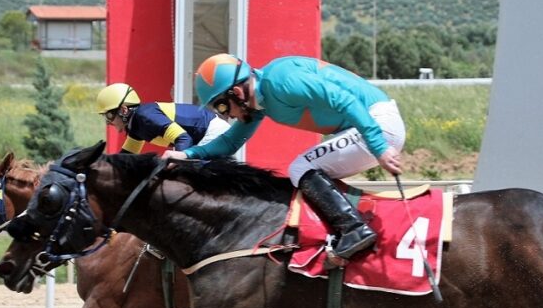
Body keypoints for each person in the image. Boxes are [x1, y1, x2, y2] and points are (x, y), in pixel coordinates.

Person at [163, 54, 405, 261]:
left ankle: (354, 229)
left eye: (222, 107)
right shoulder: (260, 102)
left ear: (236, 92)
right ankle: (338, 231)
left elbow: (345, 100)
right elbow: (229, 143)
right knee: (306, 169)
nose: (226, 116)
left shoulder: (281, 81)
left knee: (301, 167)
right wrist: (185, 154)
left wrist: (379, 147)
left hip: (377, 126)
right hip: (366, 127)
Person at [96, 82, 231, 154]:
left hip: (212, 132)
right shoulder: (136, 126)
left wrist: (177, 165)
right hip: (204, 134)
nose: (108, 123)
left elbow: (183, 138)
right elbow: (125, 160)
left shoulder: (144, 117)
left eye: (109, 116)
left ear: (123, 110)